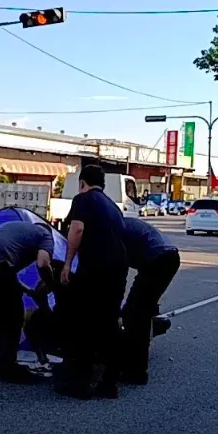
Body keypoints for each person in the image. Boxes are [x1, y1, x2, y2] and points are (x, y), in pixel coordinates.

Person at [58, 164, 128, 399]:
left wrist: (67, 263)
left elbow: (76, 230)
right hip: (118, 269)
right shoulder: (113, 207)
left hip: (95, 268)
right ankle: (109, 384)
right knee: (109, 323)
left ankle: (80, 384)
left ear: (82, 182)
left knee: (84, 323)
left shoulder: (83, 199)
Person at [0, 221, 55, 384]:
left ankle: (6, 365)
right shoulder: (45, 235)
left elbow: (9, 275)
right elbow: (43, 263)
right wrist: (52, 285)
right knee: (13, 316)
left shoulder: (17, 230)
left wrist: (29, 291)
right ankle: (10, 369)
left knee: (0, 315)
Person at [119, 217, 180, 385]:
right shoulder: (122, 223)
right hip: (165, 257)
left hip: (158, 260)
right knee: (142, 309)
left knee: (134, 315)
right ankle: (152, 317)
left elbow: (119, 268)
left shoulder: (114, 230)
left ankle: (135, 373)